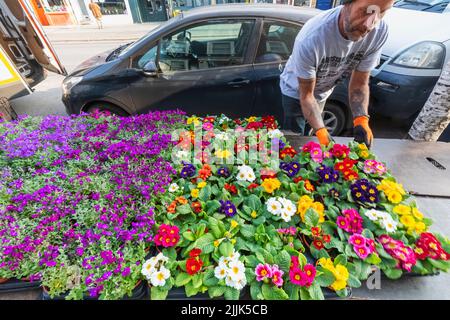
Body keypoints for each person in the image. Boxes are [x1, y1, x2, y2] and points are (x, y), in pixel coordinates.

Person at [279, 0, 395, 148]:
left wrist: (361, 120)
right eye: (366, 11)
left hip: (322, 92)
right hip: (295, 91)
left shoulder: (379, 32)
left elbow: (359, 84)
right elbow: (306, 96)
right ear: (346, 3)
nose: (369, 25)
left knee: (311, 132)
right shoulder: (311, 38)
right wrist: (321, 132)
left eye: (381, 12)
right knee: (294, 139)